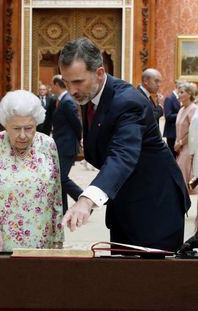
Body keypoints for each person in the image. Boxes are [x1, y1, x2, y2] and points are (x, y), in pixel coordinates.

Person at [59, 38, 190, 252]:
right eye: (66, 82)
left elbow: (122, 155)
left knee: (154, 280)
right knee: (122, 276)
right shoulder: (89, 94)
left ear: (99, 73)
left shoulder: (128, 101)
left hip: (155, 203)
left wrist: (85, 200)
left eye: (77, 82)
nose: (71, 90)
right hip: (124, 200)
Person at [0, 90, 63, 251]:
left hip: (42, 245)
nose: (22, 135)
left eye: (28, 128)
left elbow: (57, 198)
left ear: (37, 123)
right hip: (0, 244)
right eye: (16, 128)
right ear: (5, 124)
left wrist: (58, 240)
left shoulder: (48, 145)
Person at [43, 75, 83, 213]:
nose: (50, 88)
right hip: (60, 145)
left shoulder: (67, 101)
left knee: (62, 178)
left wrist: (80, 140)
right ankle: (63, 209)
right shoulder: (59, 100)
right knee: (59, 179)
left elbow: (77, 124)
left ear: (56, 85)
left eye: (52, 85)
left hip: (67, 146)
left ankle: (83, 200)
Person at [174, 82, 197, 194]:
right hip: (180, 148)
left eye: (182, 92)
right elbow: (178, 128)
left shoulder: (193, 109)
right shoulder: (181, 109)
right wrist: (176, 143)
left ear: (189, 94)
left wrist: (181, 142)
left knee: (183, 179)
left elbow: (193, 131)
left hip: (188, 148)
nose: (179, 94)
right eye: (179, 92)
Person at [163, 81, 182, 157]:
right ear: (178, 88)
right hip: (172, 133)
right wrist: (182, 113)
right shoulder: (169, 98)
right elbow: (168, 116)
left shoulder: (179, 98)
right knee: (173, 156)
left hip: (178, 132)